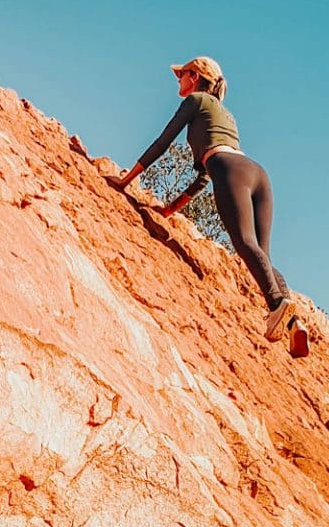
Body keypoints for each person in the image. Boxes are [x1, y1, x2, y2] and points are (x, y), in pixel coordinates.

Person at [112, 57, 304, 347]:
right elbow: (202, 179)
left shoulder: (196, 101)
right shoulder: (226, 115)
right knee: (261, 255)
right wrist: (169, 210)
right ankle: (293, 322)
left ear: (195, 75)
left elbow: (163, 141)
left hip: (229, 169)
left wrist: (125, 181)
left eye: (181, 75)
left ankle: (277, 305)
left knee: (244, 242)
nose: (178, 80)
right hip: (257, 174)